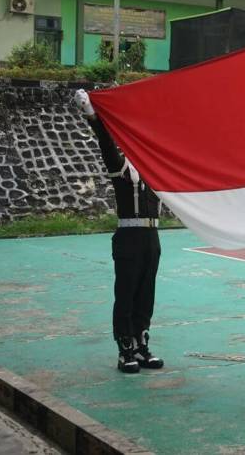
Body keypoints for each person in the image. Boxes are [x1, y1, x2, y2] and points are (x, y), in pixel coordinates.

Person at [75, 89, 164, 374]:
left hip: (152, 239)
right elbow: (105, 143)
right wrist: (91, 114)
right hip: (129, 238)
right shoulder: (121, 167)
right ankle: (124, 349)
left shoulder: (159, 169)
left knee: (146, 294)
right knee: (125, 293)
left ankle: (141, 345)